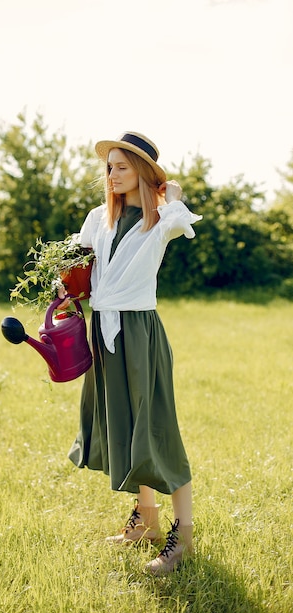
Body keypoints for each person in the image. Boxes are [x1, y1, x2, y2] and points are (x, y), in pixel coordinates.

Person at [60, 131, 202, 575]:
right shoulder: (98, 217)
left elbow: (183, 221)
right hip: (103, 331)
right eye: (110, 166)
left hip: (139, 331)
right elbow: (77, 269)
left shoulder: (161, 219)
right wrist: (65, 289)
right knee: (125, 425)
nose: (113, 173)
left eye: (123, 166)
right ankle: (147, 522)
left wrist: (170, 192)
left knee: (157, 428)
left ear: (143, 171)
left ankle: (183, 538)